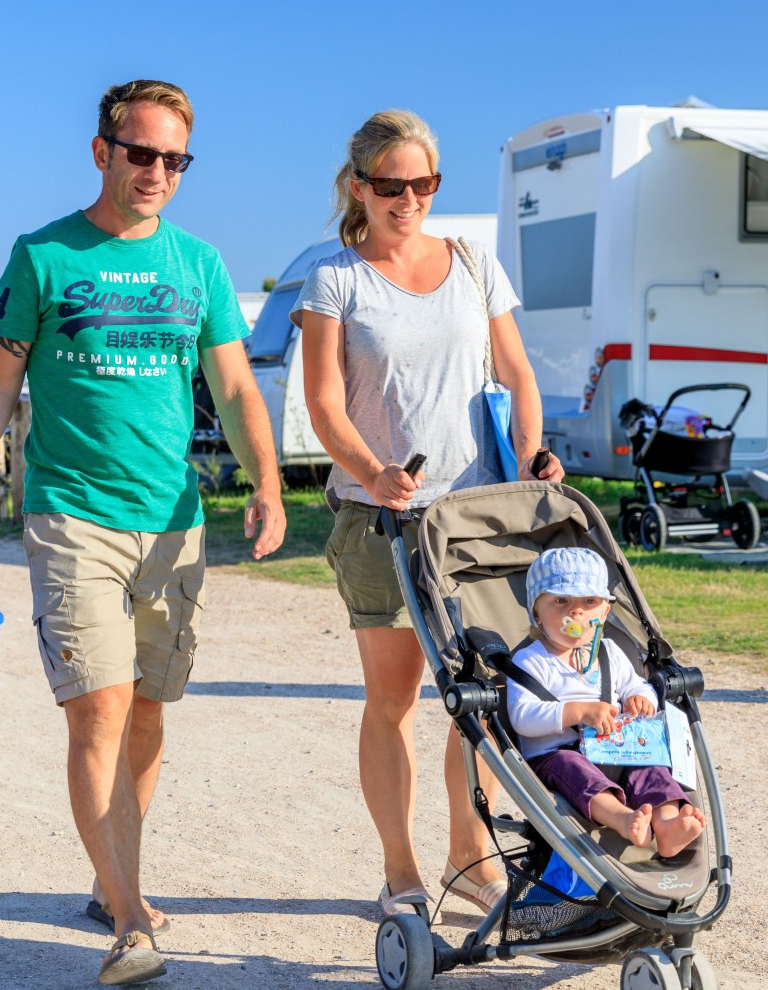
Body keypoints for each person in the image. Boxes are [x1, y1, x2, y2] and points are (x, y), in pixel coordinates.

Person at [0, 79, 285, 986]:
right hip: (72, 516)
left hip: (174, 525)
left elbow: (233, 389)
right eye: (141, 153)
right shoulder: (42, 257)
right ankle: (126, 923)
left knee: (148, 714)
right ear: (102, 150)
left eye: (174, 160)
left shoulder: (199, 265)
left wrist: (267, 485)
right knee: (99, 711)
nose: (156, 172)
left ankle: (119, 877)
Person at [295, 109, 563, 918]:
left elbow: (517, 374)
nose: (407, 199)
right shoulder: (334, 281)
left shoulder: (475, 265)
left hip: (474, 517)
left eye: (422, 184)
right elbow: (323, 402)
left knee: (482, 693)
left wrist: (531, 452)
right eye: (389, 185)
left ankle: (471, 857)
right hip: (381, 521)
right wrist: (370, 471)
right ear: (359, 188)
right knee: (395, 700)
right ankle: (402, 868)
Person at [504, 547, 705, 859]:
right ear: (536, 612)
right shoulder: (530, 661)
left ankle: (667, 824)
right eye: (561, 601)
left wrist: (642, 698)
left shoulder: (609, 653)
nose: (576, 613)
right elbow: (522, 716)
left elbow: (635, 684)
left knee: (651, 766)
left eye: (589, 602)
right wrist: (578, 711)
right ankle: (622, 818)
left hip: (617, 750)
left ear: (605, 612)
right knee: (574, 770)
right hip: (557, 755)